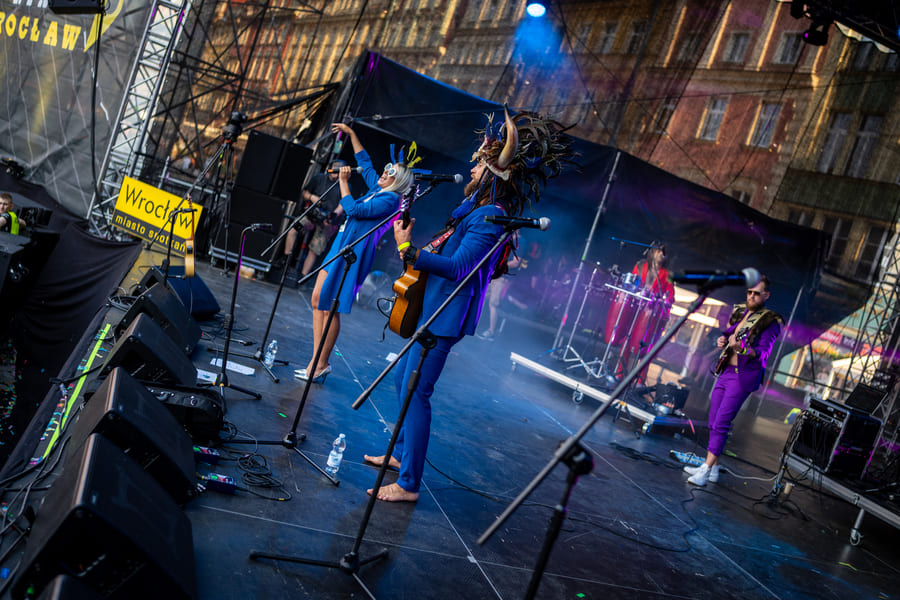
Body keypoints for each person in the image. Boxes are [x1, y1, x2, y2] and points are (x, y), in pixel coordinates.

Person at [363, 109, 575, 502]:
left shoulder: (491, 216)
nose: (472, 170)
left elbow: (459, 267)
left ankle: (408, 484)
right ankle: (401, 455)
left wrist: (408, 249)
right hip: (434, 307)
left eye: (478, 167)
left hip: (446, 316)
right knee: (401, 381)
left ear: (493, 176)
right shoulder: (476, 212)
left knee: (417, 392)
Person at [294, 123, 414, 383]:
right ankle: (316, 360)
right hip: (340, 245)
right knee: (317, 299)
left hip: (353, 253)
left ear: (398, 181)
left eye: (390, 172)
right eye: (386, 169)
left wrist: (343, 182)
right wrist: (351, 134)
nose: (384, 172)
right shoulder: (378, 189)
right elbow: (366, 163)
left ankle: (320, 364)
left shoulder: (390, 200)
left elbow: (353, 210)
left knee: (331, 307)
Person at [685, 275, 783, 486]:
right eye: (749, 292)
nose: (751, 296)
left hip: (741, 377)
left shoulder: (770, 322)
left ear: (766, 295)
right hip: (726, 372)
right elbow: (729, 333)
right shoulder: (744, 314)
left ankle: (705, 469)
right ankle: (713, 469)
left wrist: (743, 349)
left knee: (721, 422)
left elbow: (763, 354)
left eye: (756, 293)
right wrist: (722, 340)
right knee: (713, 421)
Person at [617, 241, 674, 381]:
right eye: (659, 250)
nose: (661, 254)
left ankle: (641, 380)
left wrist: (663, 299)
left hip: (651, 314)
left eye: (664, 252)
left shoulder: (667, 274)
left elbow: (671, 296)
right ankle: (619, 374)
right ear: (652, 251)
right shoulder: (640, 266)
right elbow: (631, 285)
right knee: (627, 339)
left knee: (648, 346)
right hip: (635, 308)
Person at [282, 160, 347, 277]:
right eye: (335, 170)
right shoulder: (319, 178)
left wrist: (333, 215)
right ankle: (285, 260)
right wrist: (312, 197)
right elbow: (304, 193)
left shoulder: (344, 185)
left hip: (328, 222)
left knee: (315, 248)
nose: (336, 174)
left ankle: (303, 276)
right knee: (293, 229)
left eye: (339, 171)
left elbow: (343, 204)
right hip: (311, 216)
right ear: (330, 168)